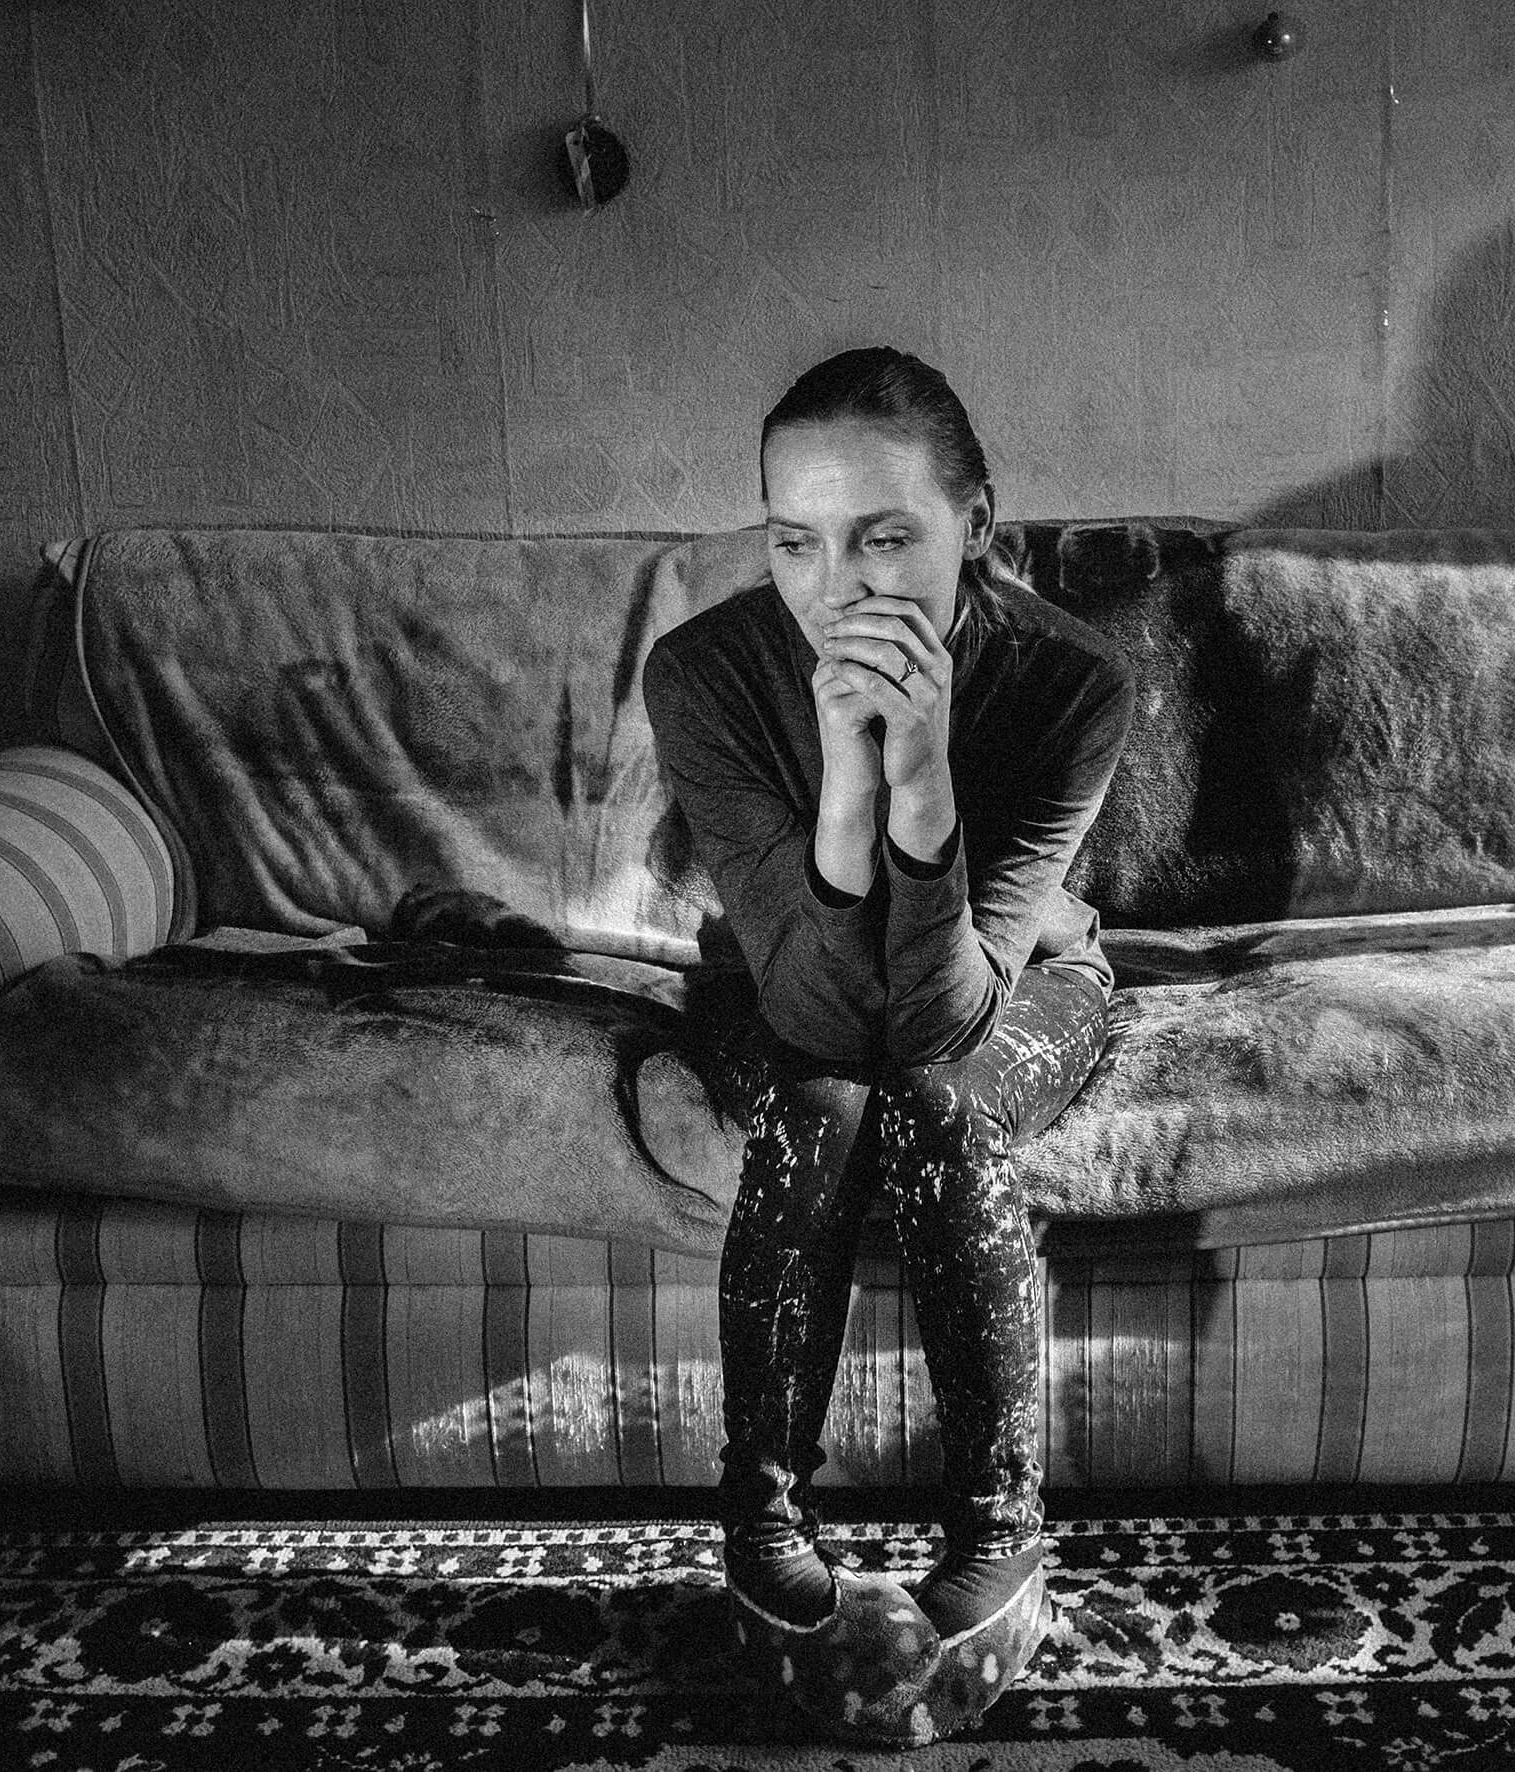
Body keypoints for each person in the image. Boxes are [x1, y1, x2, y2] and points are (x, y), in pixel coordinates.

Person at [642, 346, 1135, 1740]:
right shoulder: (706, 674)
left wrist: (921, 776)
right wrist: (847, 787)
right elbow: (814, 1012)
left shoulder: (1070, 681)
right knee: (825, 1102)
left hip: (1017, 978)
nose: (838, 589)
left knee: (933, 1099)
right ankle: (761, 1516)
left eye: (885, 537)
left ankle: (999, 1526)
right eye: (795, 541)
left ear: (976, 526)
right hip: (776, 976)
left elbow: (941, 1020)